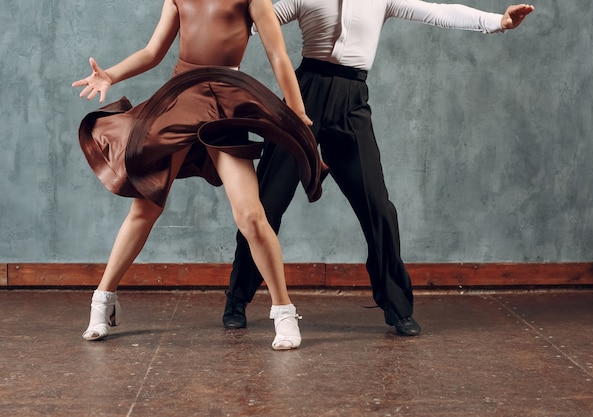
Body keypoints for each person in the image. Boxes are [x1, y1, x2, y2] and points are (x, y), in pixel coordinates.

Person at [224, 0, 535, 336]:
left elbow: (438, 12)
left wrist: (498, 22)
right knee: (266, 203)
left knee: (379, 209)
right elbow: (249, 22)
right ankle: (237, 299)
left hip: (352, 102)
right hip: (303, 96)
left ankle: (397, 307)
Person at [71, 0, 325, 350]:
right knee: (145, 208)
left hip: (225, 100)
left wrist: (296, 110)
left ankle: (284, 311)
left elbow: (278, 54)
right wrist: (111, 74)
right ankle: (103, 299)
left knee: (251, 216)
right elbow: (152, 51)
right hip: (179, 98)